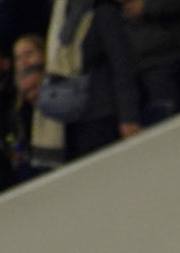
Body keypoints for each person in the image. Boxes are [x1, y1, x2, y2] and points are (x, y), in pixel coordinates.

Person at [36, 0, 141, 163]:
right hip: (72, 119)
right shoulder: (61, 15)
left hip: (104, 115)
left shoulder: (102, 12)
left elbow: (122, 66)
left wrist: (129, 117)